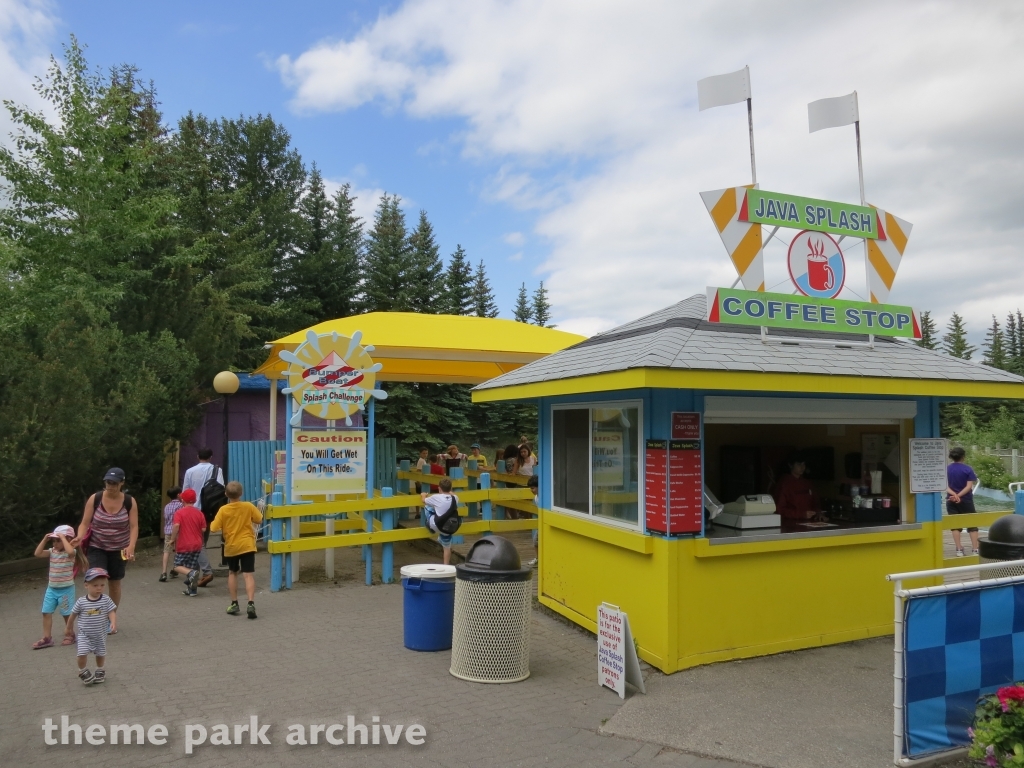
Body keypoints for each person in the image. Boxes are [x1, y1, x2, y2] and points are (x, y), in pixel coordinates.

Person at [77, 468, 138, 621]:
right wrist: (79, 537)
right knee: (96, 580)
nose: (110, 486)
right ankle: (95, 615)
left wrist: (131, 546)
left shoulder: (129, 501)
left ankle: (111, 617)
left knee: (115, 583)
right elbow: (84, 523)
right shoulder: (95, 498)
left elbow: (134, 526)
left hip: (119, 549)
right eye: (108, 482)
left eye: (114, 483)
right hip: (97, 546)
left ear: (122, 483)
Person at [210, 481, 263, 619]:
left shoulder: (223, 510)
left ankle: (234, 603)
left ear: (226, 494)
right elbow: (259, 519)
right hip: (247, 545)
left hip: (231, 547)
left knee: (232, 573)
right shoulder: (248, 506)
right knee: (248, 574)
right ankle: (250, 603)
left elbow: (214, 528)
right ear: (241, 493)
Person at [32, 525, 87, 649]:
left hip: (66, 590)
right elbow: (37, 553)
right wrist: (45, 540)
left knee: (66, 614)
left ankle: (70, 634)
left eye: (58, 541)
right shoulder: (52, 552)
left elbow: (70, 551)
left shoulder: (71, 553)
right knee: (46, 612)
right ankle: (47, 638)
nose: (55, 543)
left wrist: (63, 538)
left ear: (68, 540)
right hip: (51, 589)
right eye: (54, 541)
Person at [67, 568, 117, 685]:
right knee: (81, 653)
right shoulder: (81, 601)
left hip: (100, 635)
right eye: (95, 585)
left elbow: (111, 611)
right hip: (84, 635)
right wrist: (68, 627)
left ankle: (100, 669)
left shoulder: (106, 599)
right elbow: (73, 615)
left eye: (102, 585)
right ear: (86, 585)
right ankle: (82, 670)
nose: (99, 588)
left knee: (101, 653)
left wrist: (113, 622)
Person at [182, 447, 226, 567]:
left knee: (193, 536)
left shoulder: (189, 471)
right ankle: (201, 565)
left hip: (192, 508)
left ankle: (192, 565)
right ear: (211, 457)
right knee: (203, 538)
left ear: (197, 456)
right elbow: (221, 488)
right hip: (208, 509)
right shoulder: (217, 470)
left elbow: (185, 491)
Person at [168, 489, 207, 596]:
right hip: (197, 544)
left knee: (177, 566)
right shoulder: (199, 513)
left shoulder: (179, 513)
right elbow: (203, 529)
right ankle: (192, 590)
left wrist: (172, 539)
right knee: (191, 566)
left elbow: (176, 525)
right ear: (194, 500)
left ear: (182, 500)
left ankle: (192, 573)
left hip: (184, 544)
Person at [947, 446, 980, 557]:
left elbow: (944, 486)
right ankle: (975, 549)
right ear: (963, 457)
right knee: (972, 524)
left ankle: (959, 549)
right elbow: (969, 486)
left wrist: (954, 495)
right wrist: (959, 496)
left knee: (955, 525)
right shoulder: (968, 469)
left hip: (950, 500)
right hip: (966, 500)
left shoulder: (946, 469)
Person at [421, 478, 459, 566]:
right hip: (448, 527)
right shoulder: (455, 498)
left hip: (436, 525)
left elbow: (423, 500)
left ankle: (429, 526)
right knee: (447, 548)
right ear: (450, 488)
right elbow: (452, 494)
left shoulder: (436, 497)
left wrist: (423, 495)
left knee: (428, 507)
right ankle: (446, 566)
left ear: (439, 488)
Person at [771, 454, 820, 521]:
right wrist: (801, 514)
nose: (802, 467)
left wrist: (819, 514)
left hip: (809, 522)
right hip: (791, 523)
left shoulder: (807, 483)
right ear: (790, 465)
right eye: (799, 464)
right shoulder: (784, 483)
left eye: (803, 464)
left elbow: (815, 503)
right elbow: (780, 509)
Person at [159, 487, 182, 582]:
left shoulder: (167, 506)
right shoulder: (181, 505)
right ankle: (175, 568)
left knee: (166, 551)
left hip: (168, 531)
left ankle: (163, 572)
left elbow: (166, 518)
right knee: (178, 550)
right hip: (178, 531)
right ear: (178, 495)